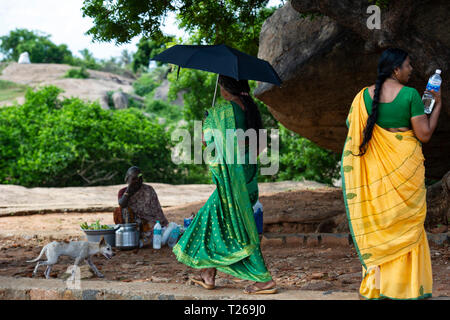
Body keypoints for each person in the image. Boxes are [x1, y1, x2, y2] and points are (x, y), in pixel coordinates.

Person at [341, 48, 442, 300]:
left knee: (382, 222)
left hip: (375, 172)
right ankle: (406, 288)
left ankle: (379, 286)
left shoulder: (362, 97)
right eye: (408, 65)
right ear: (396, 69)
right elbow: (425, 134)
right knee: (407, 223)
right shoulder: (410, 95)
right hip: (406, 169)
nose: (411, 70)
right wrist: (438, 104)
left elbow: (353, 130)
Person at [172, 75, 277, 294]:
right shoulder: (251, 109)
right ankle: (208, 274)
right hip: (246, 176)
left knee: (237, 226)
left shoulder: (223, 111)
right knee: (213, 219)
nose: (219, 90)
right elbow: (257, 146)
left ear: (226, 88)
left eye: (220, 85)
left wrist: (208, 121)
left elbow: (206, 142)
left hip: (232, 181)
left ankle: (264, 278)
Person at [114, 166, 169, 246]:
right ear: (127, 179)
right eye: (134, 179)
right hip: (133, 223)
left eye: (139, 178)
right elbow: (122, 204)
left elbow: (156, 211)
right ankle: (130, 238)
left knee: (158, 229)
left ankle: (143, 240)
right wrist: (129, 190)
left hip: (149, 222)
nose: (137, 181)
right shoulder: (123, 191)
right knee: (120, 211)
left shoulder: (148, 190)